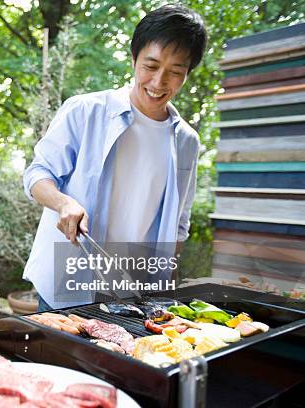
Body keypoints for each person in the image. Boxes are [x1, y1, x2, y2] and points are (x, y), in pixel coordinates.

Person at [23, 5, 207, 310]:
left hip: (133, 293)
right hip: (68, 283)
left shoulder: (186, 141)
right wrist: (64, 203)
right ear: (133, 58)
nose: (159, 82)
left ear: (187, 74)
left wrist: (167, 294)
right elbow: (37, 174)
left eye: (175, 72)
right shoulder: (86, 111)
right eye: (151, 65)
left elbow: (178, 227)